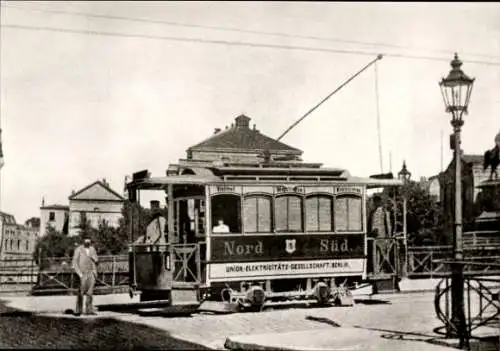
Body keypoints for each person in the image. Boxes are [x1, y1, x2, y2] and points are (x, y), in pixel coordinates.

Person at [72, 235, 99, 316]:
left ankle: (89, 310)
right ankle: (78, 310)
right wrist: (79, 273)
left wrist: (95, 260)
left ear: (90, 241)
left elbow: (97, 261)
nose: (87, 241)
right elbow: (75, 262)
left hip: (91, 273)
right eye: (86, 240)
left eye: (89, 240)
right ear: (83, 241)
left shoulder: (92, 249)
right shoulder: (78, 249)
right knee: (81, 292)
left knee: (90, 293)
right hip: (82, 273)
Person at [367, 195, 393, 274]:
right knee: (375, 253)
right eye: (374, 201)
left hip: (382, 235)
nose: (374, 203)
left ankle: (383, 269)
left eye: (376, 201)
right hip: (374, 236)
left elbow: (387, 223)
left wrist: (389, 235)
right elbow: (370, 223)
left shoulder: (383, 211)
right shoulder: (372, 211)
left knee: (382, 253)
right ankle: (376, 269)